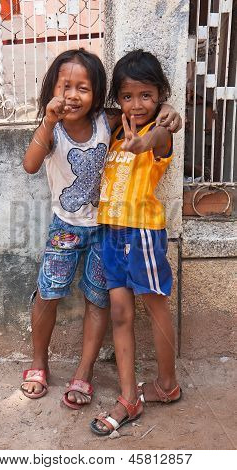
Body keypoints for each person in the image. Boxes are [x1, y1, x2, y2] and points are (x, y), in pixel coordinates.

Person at [21, 49, 181, 408]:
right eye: (66, 87)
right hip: (66, 226)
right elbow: (30, 165)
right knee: (49, 291)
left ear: (97, 95)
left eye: (84, 88)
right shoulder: (54, 130)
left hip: (106, 230)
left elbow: (154, 124)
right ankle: (38, 363)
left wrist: (170, 114)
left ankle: (84, 371)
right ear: (52, 89)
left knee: (98, 299)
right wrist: (47, 121)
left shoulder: (107, 123)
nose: (74, 95)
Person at [91, 50, 181, 436]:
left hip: (142, 232)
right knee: (120, 315)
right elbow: (96, 112)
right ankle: (129, 396)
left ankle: (166, 384)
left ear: (160, 94)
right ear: (118, 99)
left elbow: (163, 135)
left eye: (146, 95)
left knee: (156, 310)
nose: (137, 104)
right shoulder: (114, 128)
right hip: (110, 232)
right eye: (128, 96)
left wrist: (147, 140)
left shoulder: (156, 133)